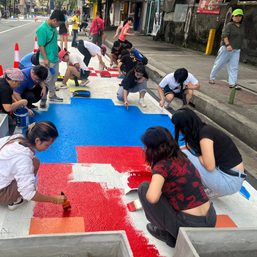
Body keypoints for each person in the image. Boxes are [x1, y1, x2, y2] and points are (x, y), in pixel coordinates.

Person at [138, 126, 216, 247]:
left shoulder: (161, 166)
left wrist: (157, 187)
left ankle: (167, 234)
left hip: (190, 227)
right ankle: (174, 232)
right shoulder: (182, 156)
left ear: (152, 149)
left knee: (144, 188)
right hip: (211, 219)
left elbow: (152, 198)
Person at [171, 108, 246, 197]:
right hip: (230, 176)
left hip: (229, 181)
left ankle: (181, 184)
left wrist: (197, 154)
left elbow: (210, 166)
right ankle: (210, 187)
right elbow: (187, 148)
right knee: (183, 152)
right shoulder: (203, 130)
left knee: (184, 155)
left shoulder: (205, 137)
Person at [0, 121, 67, 210]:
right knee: (34, 163)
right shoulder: (23, 159)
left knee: (34, 161)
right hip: (2, 193)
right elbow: (28, 194)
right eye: (47, 145)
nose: (48, 148)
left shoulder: (16, 138)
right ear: (37, 140)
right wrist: (54, 199)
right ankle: (14, 201)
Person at [209, 9, 245, 90]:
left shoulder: (242, 26)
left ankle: (232, 83)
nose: (238, 17)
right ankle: (212, 78)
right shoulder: (229, 25)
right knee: (219, 64)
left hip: (236, 50)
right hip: (226, 49)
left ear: (242, 17)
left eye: (240, 16)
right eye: (236, 16)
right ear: (232, 17)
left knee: (234, 67)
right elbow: (224, 36)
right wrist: (228, 45)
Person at [36, 9, 65, 108]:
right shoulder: (42, 29)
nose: (58, 26)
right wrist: (45, 59)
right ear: (54, 20)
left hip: (54, 59)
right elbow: (41, 45)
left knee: (53, 79)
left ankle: (52, 96)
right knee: (46, 81)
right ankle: (43, 100)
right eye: (59, 23)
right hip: (46, 60)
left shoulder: (53, 28)